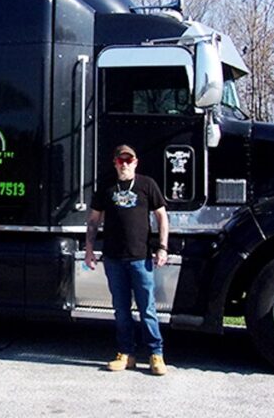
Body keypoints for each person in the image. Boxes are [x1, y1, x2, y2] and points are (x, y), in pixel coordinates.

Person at [85, 144, 170, 375]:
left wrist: (162, 247)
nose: (124, 164)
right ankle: (125, 353)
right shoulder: (106, 187)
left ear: (135, 162)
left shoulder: (147, 185)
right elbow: (93, 220)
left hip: (140, 258)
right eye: (120, 161)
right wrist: (89, 249)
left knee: (147, 308)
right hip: (113, 259)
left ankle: (156, 354)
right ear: (115, 163)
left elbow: (161, 217)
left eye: (128, 160)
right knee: (121, 310)